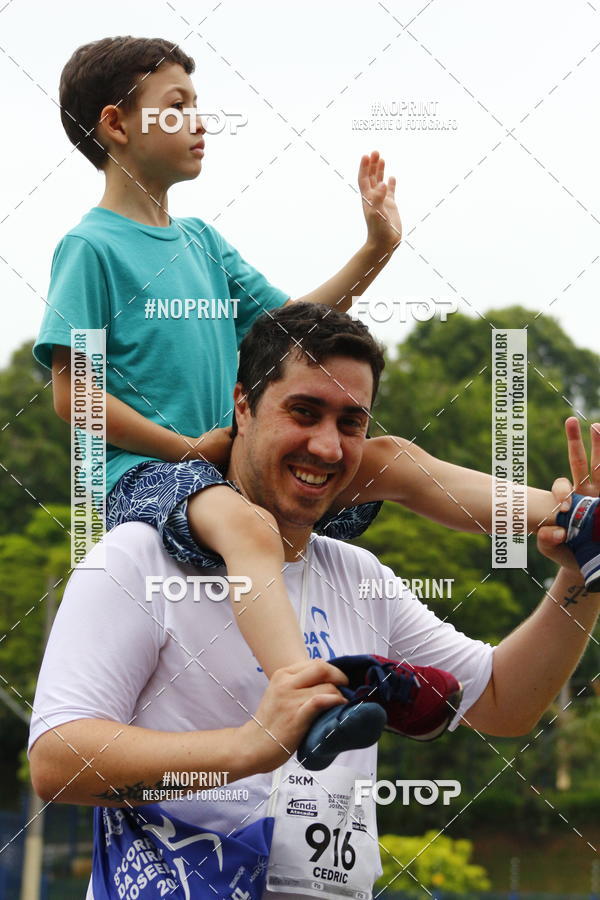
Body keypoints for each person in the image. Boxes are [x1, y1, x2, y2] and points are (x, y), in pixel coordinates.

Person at [28, 305, 600, 900]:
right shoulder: (137, 559)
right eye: (304, 412)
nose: (327, 447)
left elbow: (505, 703)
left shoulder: (359, 574)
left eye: (352, 423)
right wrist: (245, 749)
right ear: (243, 406)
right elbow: (57, 762)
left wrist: (582, 575)